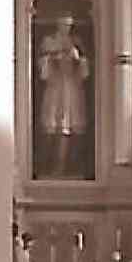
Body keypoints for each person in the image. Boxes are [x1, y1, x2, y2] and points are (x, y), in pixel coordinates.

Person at [37, 15, 90, 177]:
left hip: (72, 88)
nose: (66, 28)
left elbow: (85, 71)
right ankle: (48, 165)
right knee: (51, 127)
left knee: (70, 127)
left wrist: (78, 59)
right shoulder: (49, 40)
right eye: (63, 24)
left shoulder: (76, 41)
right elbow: (43, 69)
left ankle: (68, 166)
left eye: (69, 25)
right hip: (55, 87)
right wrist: (53, 57)